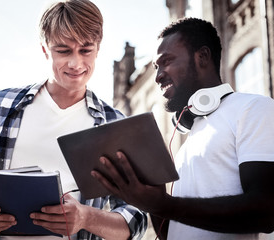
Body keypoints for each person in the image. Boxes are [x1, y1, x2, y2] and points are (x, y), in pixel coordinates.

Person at [0, 1, 147, 239]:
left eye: (85, 50)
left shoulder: (114, 125)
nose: (76, 63)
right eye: (63, 51)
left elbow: (136, 218)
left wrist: (85, 217)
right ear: (44, 48)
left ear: (98, 48)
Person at [91, 17, 274, 240]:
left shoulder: (253, 109)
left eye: (166, 61)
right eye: (156, 67)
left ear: (203, 57)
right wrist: (151, 199)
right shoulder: (188, 144)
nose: (158, 76)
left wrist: (166, 204)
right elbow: (176, 231)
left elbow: (266, 211)